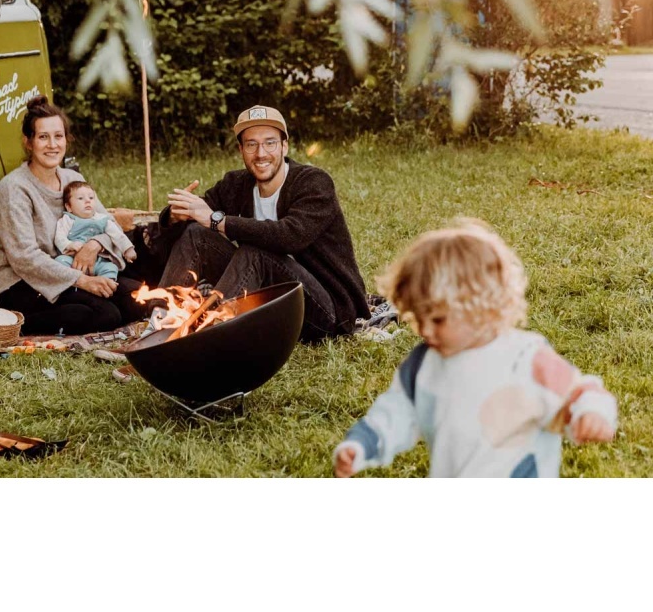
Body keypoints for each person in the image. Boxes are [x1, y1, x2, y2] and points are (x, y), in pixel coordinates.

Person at [333, 220, 618, 478]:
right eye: (418, 319)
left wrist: (591, 413)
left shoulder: (526, 358)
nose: (426, 330)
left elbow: (580, 392)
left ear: (482, 307)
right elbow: (396, 412)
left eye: (438, 320)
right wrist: (362, 445)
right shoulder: (424, 364)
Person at [157, 104, 370, 342]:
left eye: (270, 143)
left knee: (255, 251)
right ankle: (159, 328)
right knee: (196, 234)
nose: (261, 154)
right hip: (267, 302)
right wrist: (175, 215)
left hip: (325, 311)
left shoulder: (314, 182)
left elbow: (290, 237)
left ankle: (211, 336)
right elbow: (197, 212)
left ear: (284, 146)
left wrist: (217, 220)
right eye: (251, 144)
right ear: (241, 149)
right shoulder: (236, 184)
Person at [0, 96, 146, 335]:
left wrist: (95, 243)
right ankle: (17, 325)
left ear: (67, 140)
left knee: (138, 298)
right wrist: (82, 281)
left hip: (75, 271)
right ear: (28, 142)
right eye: (43, 137)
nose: (52, 145)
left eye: (58, 136)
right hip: (26, 283)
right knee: (105, 315)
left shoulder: (72, 180)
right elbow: (24, 257)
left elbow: (107, 223)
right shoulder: (13, 188)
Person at [54, 180, 137, 279]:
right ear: (69, 207)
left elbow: (117, 235)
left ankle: (106, 284)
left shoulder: (103, 219)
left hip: (98, 261)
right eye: (80, 198)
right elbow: (59, 237)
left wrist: (127, 249)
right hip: (72, 260)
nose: (87, 201)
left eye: (91, 198)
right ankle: (74, 283)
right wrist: (69, 245)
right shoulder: (66, 220)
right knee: (60, 262)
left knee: (111, 267)